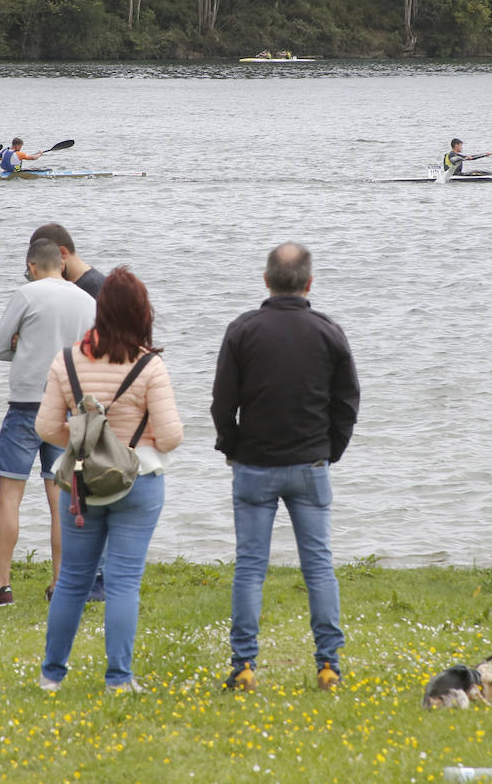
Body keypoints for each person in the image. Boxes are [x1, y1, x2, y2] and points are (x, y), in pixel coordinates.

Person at [211, 242, 360, 692]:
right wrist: (331, 449)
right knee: (318, 565)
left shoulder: (242, 331)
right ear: (310, 283)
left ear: (266, 280)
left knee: (250, 567)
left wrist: (231, 447)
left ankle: (244, 665)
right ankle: (328, 664)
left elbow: (223, 402)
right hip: (310, 464)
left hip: (254, 465)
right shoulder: (329, 332)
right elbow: (348, 400)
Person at [35, 267, 184, 692]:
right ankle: (119, 679)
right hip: (138, 481)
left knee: (72, 580)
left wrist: (86, 438)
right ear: (142, 313)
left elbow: (46, 428)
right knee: (123, 581)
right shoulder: (150, 366)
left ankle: (51, 675)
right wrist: (130, 442)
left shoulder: (66, 361)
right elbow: (171, 437)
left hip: (81, 484)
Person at [0, 238, 96, 607]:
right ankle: (60, 583)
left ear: (32, 267)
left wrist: (20, 345)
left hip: (28, 403)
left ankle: (1, 585)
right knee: (60, 499)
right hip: (69, 408)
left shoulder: (26, 295)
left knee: (10, 496)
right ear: (61, 264)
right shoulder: (88, 301)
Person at [30, 222, 108, 600]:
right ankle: (89, 575)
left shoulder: (90, 290)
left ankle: (94, 578)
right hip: (82, 404)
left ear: (61, 255)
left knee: (87, 492)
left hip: (89, 406)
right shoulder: (88, 288)